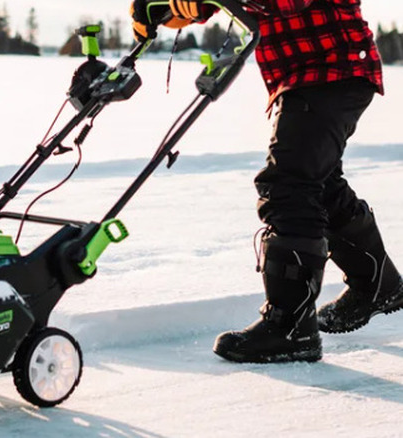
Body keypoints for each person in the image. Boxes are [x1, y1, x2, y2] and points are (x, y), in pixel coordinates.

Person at [130, 0, 403, 363]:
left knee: (289, 186)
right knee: (317, 184)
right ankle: (377, 283)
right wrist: (165, 7)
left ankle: (289, 328)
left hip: (331, 70)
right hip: (311, 76)